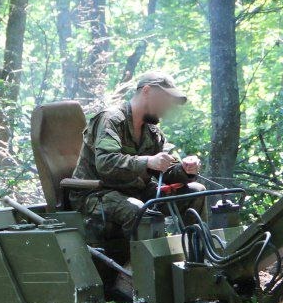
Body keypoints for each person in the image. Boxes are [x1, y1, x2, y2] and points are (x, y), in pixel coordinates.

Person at [70, 70, 203, 236]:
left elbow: (165, 171)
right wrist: (147, 161)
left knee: (196, 192)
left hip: (136, 191)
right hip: (97, 194)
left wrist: (185, 169)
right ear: (146, 91)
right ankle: (139, 262)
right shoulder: (111, 120)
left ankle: (194, 254)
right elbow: (105, 163)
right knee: (140, 211)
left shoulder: (152, 132)